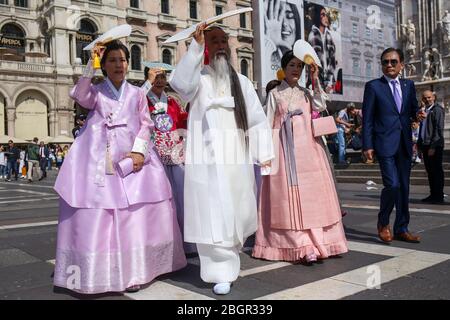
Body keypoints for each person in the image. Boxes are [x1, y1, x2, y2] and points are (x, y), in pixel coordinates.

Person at [53, 40, 187, 294]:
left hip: (130, 154)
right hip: (99, 156)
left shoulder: (137, 93)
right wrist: (90, 65)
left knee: (135, 212)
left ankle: (137, 268)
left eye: (122, 60)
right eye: (112, 60)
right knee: (99, 210)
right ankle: (99, 271)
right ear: (104, 65)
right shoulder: (96, 91)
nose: (119, 65)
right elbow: (79, 96)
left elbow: (146, 124)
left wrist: (139, 151)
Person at [169, 23, 274, 295]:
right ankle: (219, 271)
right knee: (211, 213)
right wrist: (194, 47)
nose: (220, 46)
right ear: (206, 47)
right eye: (214, 41)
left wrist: (264, 154)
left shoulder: (243, 82)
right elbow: (179, 84)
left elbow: (257, 119)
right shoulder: (198, 79)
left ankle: (230, 259)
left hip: (235, 157)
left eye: (224, 40)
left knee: (236, 212)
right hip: (206, 159)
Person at [252, 50, 348, 264]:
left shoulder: (307, 92)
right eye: (292, 65)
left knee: (312, 198)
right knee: (286, 199)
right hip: (283, 152)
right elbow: (267, 124)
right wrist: (265, 153)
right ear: (284, 68)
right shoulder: (275, 94)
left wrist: (315, 79)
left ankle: (319, 242)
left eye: (299, 66)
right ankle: (299, 245)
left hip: (309, 151)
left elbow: (321, 105)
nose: (296, 69)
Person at [362, 48, 425, 244]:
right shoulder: (373, 87)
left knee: (404, 188)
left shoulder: (408, 85)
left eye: (393, 62)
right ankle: (383, 222)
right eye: (385, 62)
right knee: (393, 185)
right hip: (384, 143)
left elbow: (412, 110)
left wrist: (418, 115)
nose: (389, 65)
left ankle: (402, 228)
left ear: (402, 65)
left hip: (404, 144)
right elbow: (368, 119)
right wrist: (367, 145)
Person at [142, 66, 194, 253]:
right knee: (160, 199)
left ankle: (184, 242)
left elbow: (183, 121)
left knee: (181, 197)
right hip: (153, 155)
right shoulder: (143, 100)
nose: (160, 80)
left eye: (163, 76)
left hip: (175, 153)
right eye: (156, 76)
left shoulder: (172, 102)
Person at [418, 90, 445, 204]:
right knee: (430, 171)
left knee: (436, 171)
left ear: (433, 97)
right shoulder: (425, 111)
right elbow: (422, 129)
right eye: (425, 98)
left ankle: (438, 196)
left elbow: (438, 130)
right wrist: (419, 144)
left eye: (429, 97)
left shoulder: (437, 110)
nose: (427, 100)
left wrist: (433, 146)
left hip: (434, 145)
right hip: (425, 144)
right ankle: (433, 194)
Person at [264, 0, 302, 79]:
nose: (284, 23)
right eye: (278, 16)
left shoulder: (304, 59)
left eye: (289, 16)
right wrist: (271, 43)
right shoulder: (269, 55)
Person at [307, 5, 337, 92]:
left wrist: (329, 81)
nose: (326, 18)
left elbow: (332, 61)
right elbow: (312, 62)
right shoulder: (312, 35)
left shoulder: (329, 36)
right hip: (316, 83)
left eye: (326, 15)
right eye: (323, 15)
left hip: (329, 83)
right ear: (317, 17)